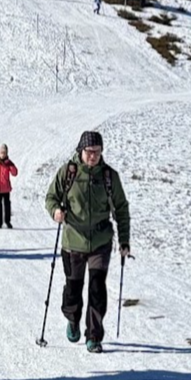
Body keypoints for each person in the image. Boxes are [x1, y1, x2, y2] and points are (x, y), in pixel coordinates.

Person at [45, 131, 131, 353]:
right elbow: (51, 197)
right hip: (73, 240)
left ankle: (94, 336)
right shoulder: (68, 173)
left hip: (100, 242)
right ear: (80, 151)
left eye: (97, 152)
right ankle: (72, 319)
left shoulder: (109, 177)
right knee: (73, 289)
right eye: (89, 152)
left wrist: (124, 240)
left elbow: (121, 209)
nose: (93, 156)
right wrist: (55, 211)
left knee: (96, 288)